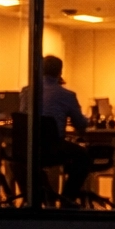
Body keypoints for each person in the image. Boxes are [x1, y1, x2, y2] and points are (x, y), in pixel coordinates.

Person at [21, 55, 94, 208]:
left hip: (27, 147)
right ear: (60, 72)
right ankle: (67, 198)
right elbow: (80, 124)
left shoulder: (27, 91)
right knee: (83, 157)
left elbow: (22, 117)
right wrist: (89, 120)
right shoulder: (67, 95)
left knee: (23, 158)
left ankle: (37, 197)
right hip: (52, 147)